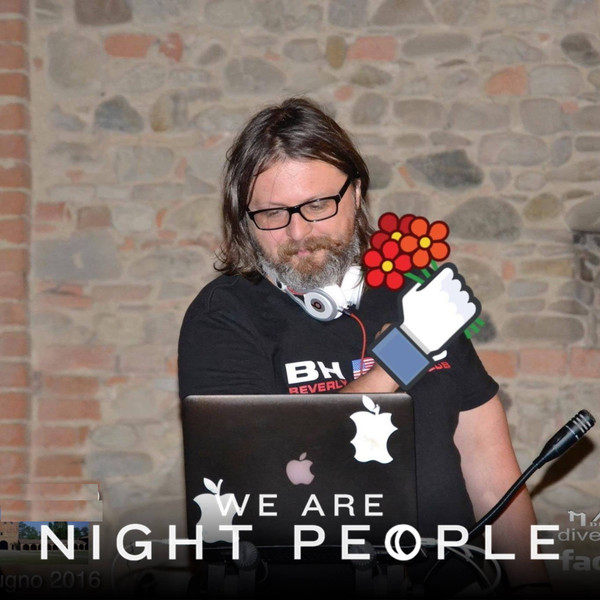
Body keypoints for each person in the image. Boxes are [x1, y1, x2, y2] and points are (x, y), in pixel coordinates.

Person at [178, 97, 550, 596]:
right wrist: (406, 353)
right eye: (271, 213)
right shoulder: (223, 317)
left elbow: (490, 471)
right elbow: (273, 475)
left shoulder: (414, 296)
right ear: (244, 216)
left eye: (317, 205)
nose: (298, 232)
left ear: (356, 193)